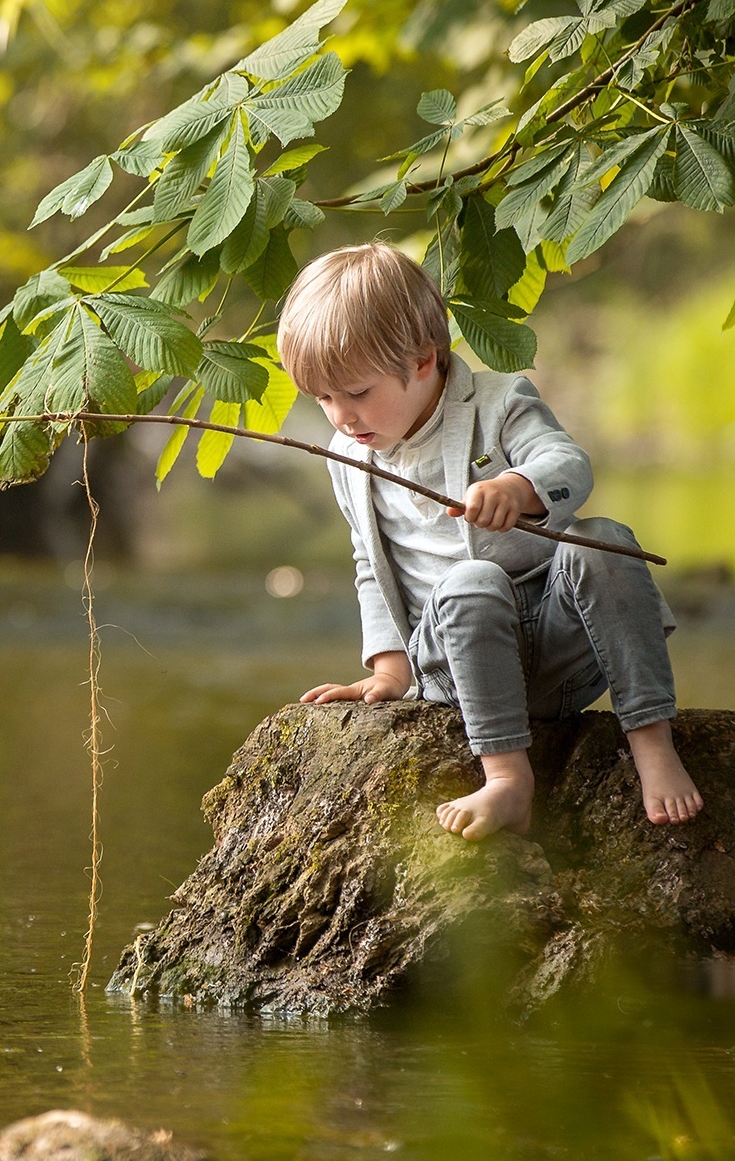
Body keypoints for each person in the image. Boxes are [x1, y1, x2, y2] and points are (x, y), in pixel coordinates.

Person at [278, 242, 702, 840]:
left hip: (559, 650)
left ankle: (651, 740)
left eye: (356, 392)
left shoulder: (499, 403)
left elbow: (568, 463)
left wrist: (519, 484)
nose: (342, 417)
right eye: (322, 399)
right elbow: (372, 565)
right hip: (459, 662)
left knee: (603, 541)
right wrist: (389, 673)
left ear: (424, 360)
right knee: (472, 581)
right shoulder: (351, 457)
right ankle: (506, 777)